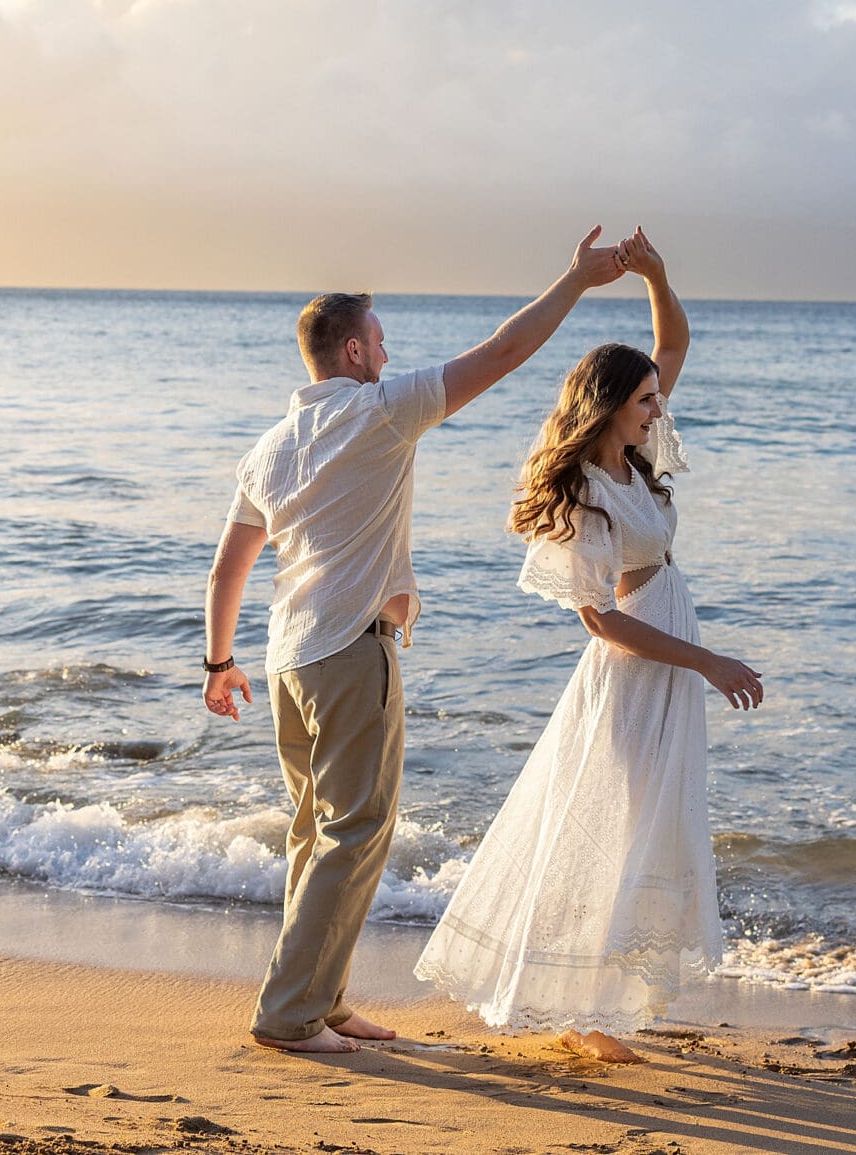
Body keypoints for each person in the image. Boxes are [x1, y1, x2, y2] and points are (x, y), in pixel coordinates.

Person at [203, 227, 631, 1054]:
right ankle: (288, 1013)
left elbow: (229, 568)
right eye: (383, 340)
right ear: (356, 349)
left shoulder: (269, 446)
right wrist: (576, 279)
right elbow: (505, 350)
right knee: (354, 832)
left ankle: (321, 998)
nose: (389, 352)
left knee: (316, 833)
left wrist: (218, 663)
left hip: (287, 658)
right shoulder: (379, 411)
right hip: (351, 653)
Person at [414, 229, 763, 1063]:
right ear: (607, 405)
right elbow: (600, 619)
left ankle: (605, 1005)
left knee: (653, 823)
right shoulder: (588, 491)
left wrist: (658, 273)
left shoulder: (640, 459)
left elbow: (673, 340)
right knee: (617, 825)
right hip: (636, 670)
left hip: (668, 659)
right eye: (642, 399)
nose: (655, 407)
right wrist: (708, 662)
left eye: (653, 398)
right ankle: (590, 1010)